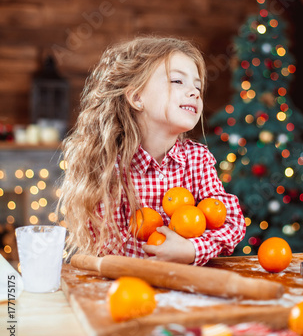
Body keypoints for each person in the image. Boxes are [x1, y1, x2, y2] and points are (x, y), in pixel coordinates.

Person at [61, 36, 246, 265]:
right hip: (131, 290)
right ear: (137, 97)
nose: (195, 92)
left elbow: (232, 222)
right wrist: (162, 256)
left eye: (197, 86)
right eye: (178, 81)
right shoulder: (109, 166)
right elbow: (111, 247)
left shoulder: (198, 160)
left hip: (187, 289)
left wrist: (192, 249)